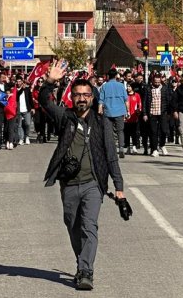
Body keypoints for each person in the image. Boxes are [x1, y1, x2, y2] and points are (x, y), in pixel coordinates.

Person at [39, 60, 129, 291]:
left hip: (93, 184)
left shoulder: (101, 123)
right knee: (72, 225)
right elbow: (44, 102)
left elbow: (111, 156)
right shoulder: (65, 118)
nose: (81, 98)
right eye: (77, 94)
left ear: (92, 97)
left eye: (86, 95)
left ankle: (86, 271)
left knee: (89, 226)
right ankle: (82, 262)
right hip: (69, 183)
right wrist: (50, 82)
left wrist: (118, 187)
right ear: (72, 97)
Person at [98, 68, 129, 159]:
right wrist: (128, 111)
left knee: (108, 132)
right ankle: (121, 148)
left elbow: (101, 100)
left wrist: (99, 110)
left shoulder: (104, 86)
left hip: (108, 112)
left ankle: (110, 149)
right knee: (120, 131)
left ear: (108, 76)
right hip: (120, 111)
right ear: (116, 76)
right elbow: (126, 100)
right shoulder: (121, 86)